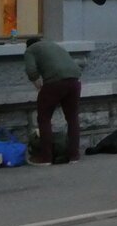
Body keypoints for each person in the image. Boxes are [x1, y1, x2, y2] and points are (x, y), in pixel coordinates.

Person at [24, 36, 82, 165]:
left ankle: (45, 158)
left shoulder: (30, 50)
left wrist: (38, 84)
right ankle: (74, 156)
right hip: (74, 81)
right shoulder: (54, 45)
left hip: (54, 83)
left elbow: (31, 70)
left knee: (44, 118)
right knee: (72, 118)